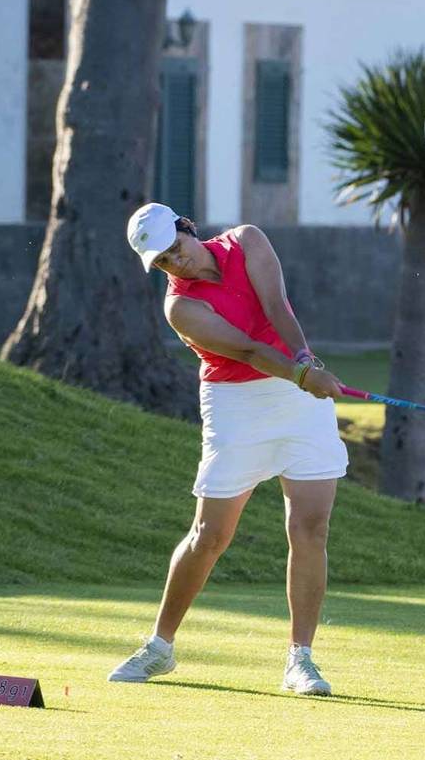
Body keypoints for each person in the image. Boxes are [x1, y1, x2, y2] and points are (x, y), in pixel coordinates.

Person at [108, 202, 348, 696]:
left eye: (177, 249)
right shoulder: (181, 306)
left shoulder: (248, 241)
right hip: (236, 404)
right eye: (164, 262)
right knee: (210, 535)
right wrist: (305, 374)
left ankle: (299, 659)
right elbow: (246, 350)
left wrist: (304, 359)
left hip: (297, 392)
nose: (178, 263)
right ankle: (159, 647)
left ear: (187, 228)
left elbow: (278, 309)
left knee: (310, 526)